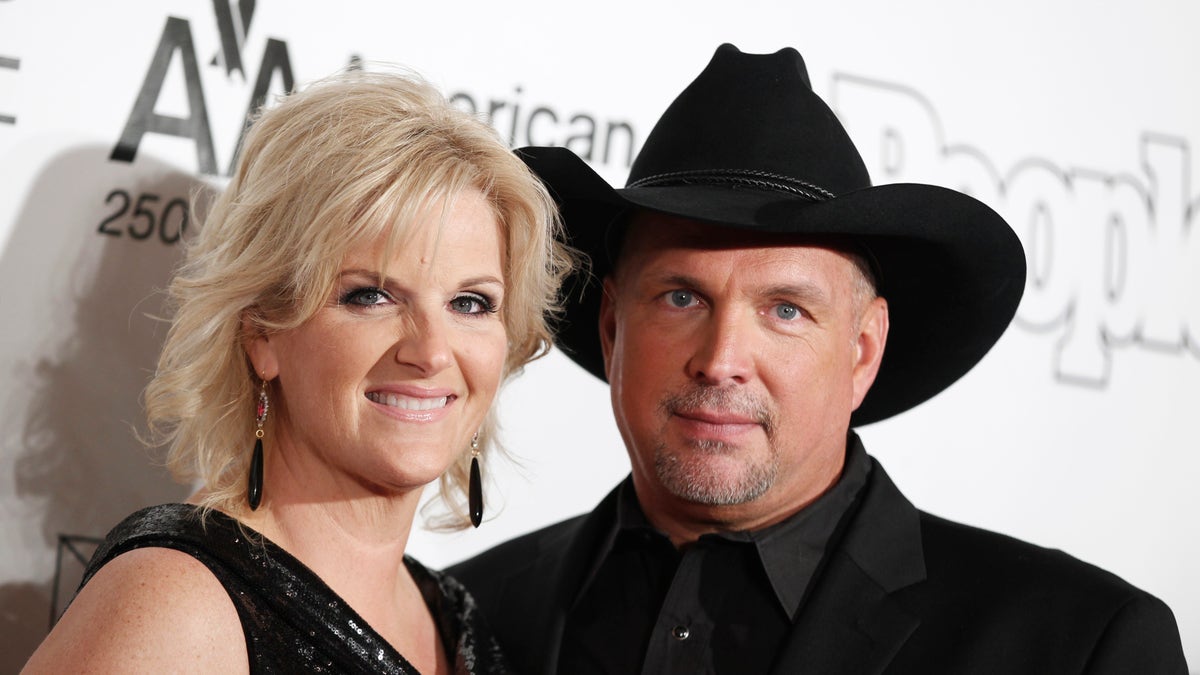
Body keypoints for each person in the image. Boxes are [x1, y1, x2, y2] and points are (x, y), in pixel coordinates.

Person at [448, 44, 1189, 674]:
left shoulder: (1077, 646)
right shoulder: (456, 624)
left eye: (786, 310)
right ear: (612, 326)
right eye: (682, 298)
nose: (722, 359)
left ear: (862, 351)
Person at [23, 68, 571, 673]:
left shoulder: (459, 620)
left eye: (471, 303)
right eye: (372, 296)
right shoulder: (178, 607)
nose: (432, 352)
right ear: (262, 333)